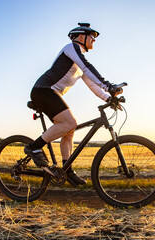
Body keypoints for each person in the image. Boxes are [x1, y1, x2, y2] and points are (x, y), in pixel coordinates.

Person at [25, 23, 119, 187]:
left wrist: (108, 98)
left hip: (51, 93)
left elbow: (93, 86)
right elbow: (87, 67)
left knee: (69, 129)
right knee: (70, 123)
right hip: (43, 90)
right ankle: (34, 148)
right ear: (81, 36)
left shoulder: (79, 63)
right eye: (92, 37)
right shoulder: (71, 48)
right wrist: (108, 85)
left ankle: (67, 170)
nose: (94, 41)